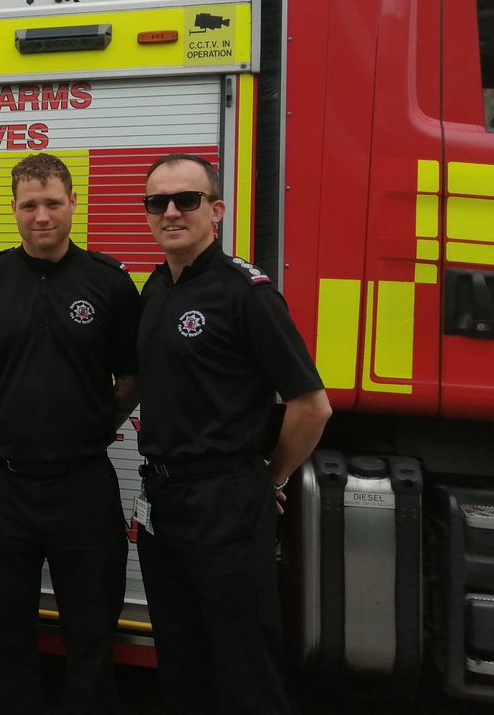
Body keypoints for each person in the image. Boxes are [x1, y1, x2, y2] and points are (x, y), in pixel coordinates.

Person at [134, 153, 332, 715]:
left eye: (187, 200)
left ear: (216, 210)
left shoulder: (246, 292)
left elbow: (311, 405)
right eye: (158, 202)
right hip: (163, 501)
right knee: (179, 657)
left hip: (225, 500)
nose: (171, 211)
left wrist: (267, 477)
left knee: (244, 663)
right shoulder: (155, 289)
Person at [0, 152, 141, 715]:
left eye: (53, 203)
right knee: (4, 631)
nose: (42, 216)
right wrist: (6, 424)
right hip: (3, 485)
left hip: (82, 484)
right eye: (29, 204)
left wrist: (88, 428)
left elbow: (131, 379)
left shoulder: (109, 283)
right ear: (13, 209)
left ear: (73, 204)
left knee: (91, 630)